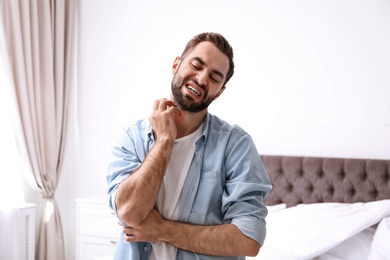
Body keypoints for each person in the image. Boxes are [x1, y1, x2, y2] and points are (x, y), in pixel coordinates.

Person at [106, 32, 272, 260]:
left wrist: (162, 229)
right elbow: (129, 213)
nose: (202, 79)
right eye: (196, 65)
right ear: (176, 64)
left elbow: (248, 240)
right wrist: (164, 140)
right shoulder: (132, 137)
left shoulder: (235, 145)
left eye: (214, 78)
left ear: (220, 91)